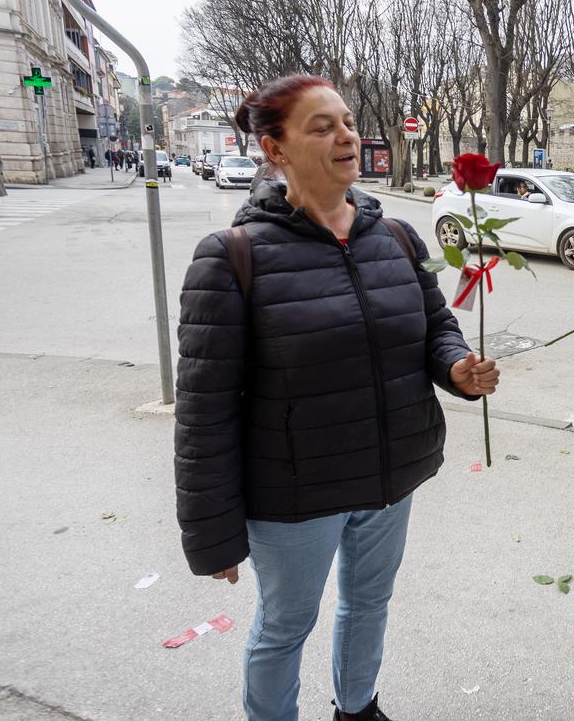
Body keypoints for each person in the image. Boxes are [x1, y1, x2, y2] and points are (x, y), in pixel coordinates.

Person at [174, 75, 500, 721]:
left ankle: (357, 707)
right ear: (276, 148)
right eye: (322, 127)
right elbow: (202, 412)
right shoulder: (232, 256)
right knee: (284, 625)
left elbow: (434, 324)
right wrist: (213, 538)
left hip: (389, 477)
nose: (346, 136)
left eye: (347, 123)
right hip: (296, 495)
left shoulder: (397, 237)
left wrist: (457, 366)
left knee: (369, 603)